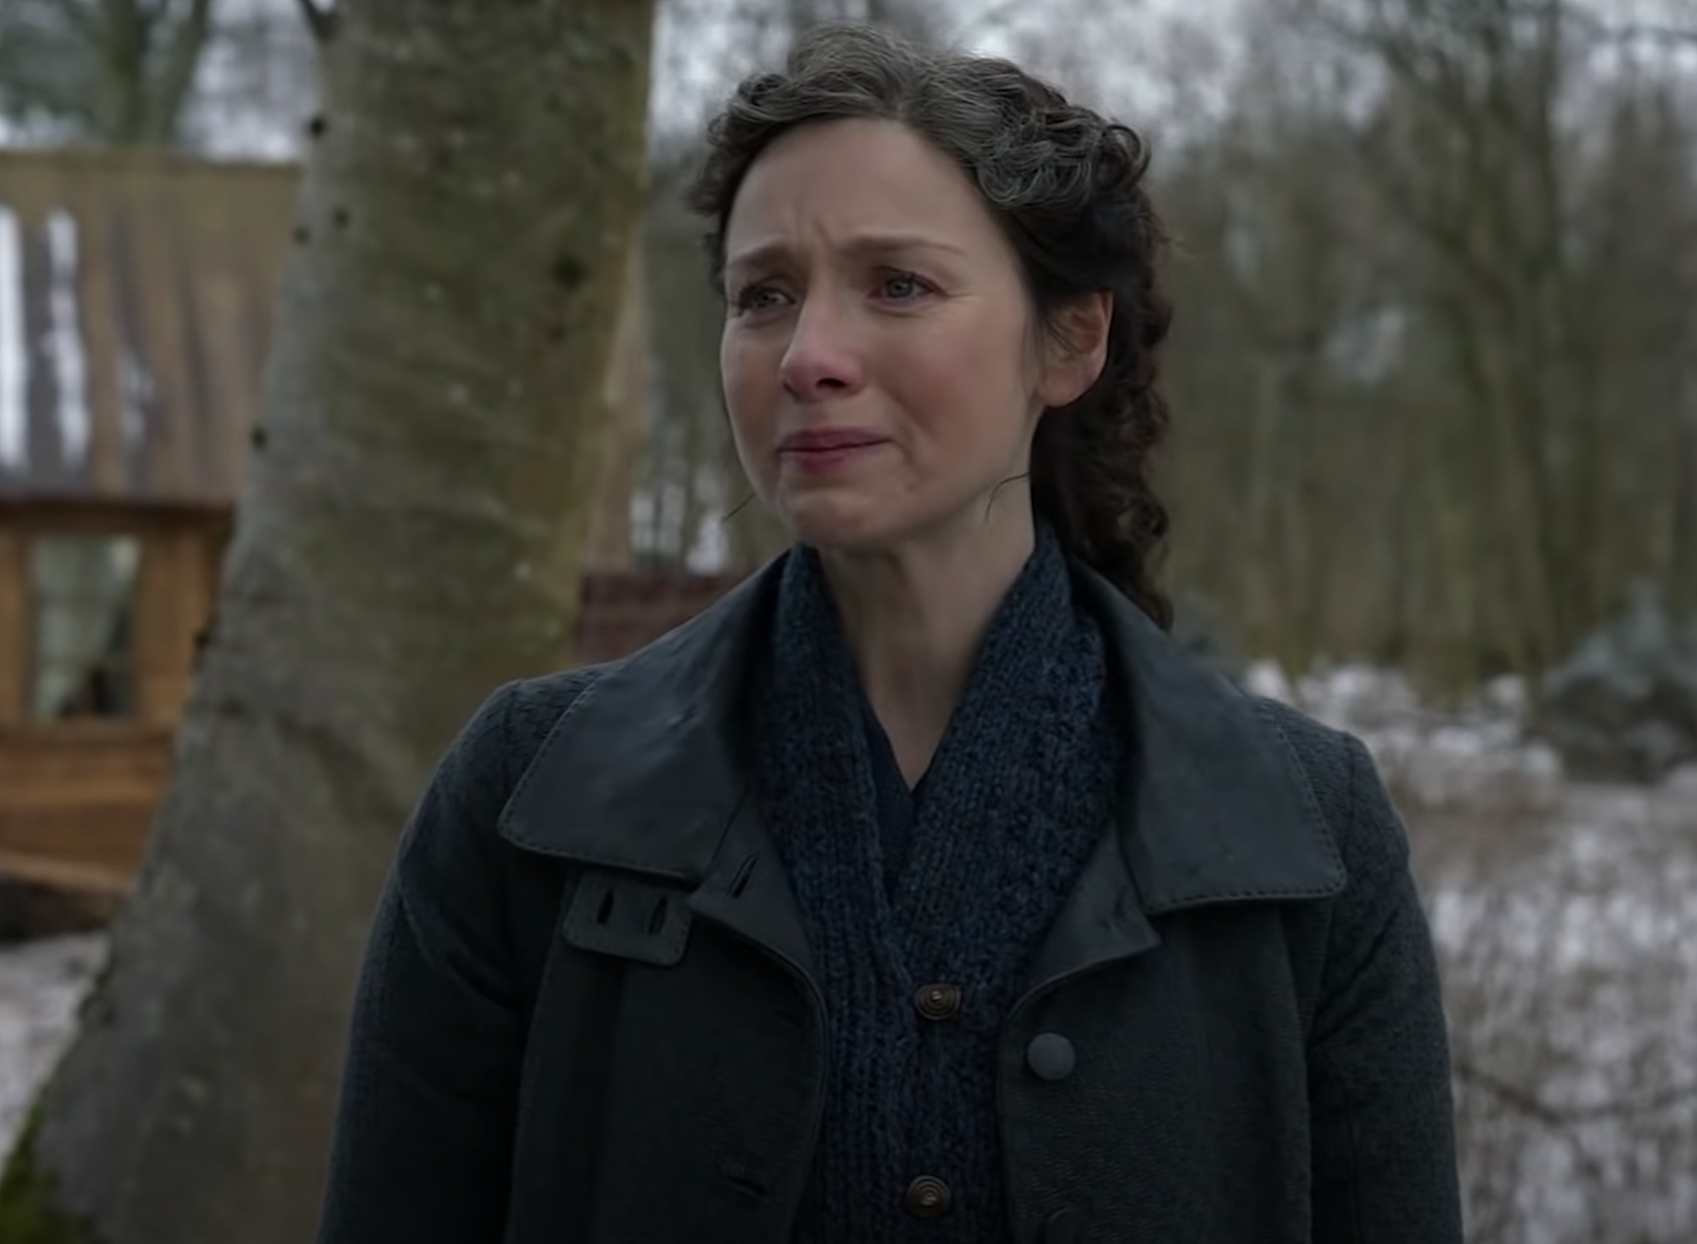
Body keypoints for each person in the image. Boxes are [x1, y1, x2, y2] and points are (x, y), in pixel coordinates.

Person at [314, 22, 1463, 1244]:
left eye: (897, 285)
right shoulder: (528, 796)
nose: (808, 356)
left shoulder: (1305, 833)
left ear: (1069, 339)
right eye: (763, 296)